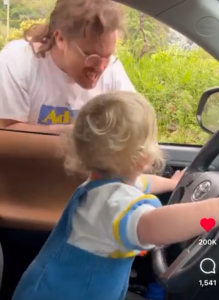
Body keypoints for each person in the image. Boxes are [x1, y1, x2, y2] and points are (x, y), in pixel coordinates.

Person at [12, 91, 219, 300]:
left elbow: (143, 183)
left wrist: (173, 183)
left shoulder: (100, 185)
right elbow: (154, 227)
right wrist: (212, 209)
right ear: (144, 157)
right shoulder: (112, 204)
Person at [0, 0, 135, 134]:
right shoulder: (17, 61)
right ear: (61, 39)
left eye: (108, 56)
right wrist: (74, 135)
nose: (101, 67)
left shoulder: (112, 69)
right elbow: (6, 133)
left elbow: (136, 121)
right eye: (91, 57)